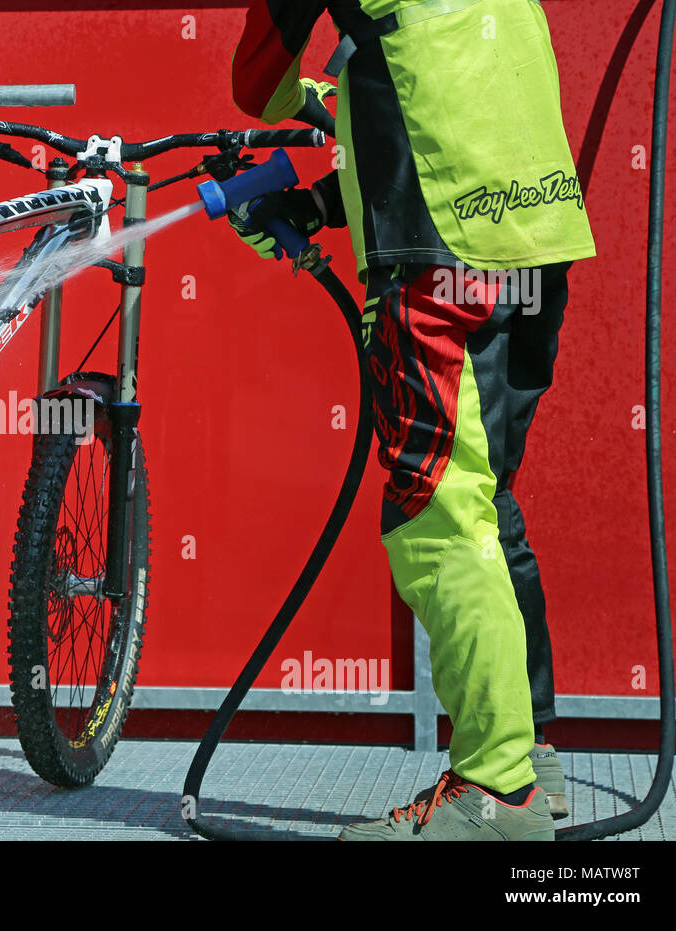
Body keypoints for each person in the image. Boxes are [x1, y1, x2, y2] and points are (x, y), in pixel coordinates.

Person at [228, 0, 595, 840]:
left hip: (442, 254)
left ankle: (496, 792)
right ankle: (531, 753)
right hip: (535, 230)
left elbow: (259, 85)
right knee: (486, 501)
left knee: (436, 510)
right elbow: (438, 76)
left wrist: (315, 101)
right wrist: (324, 201)